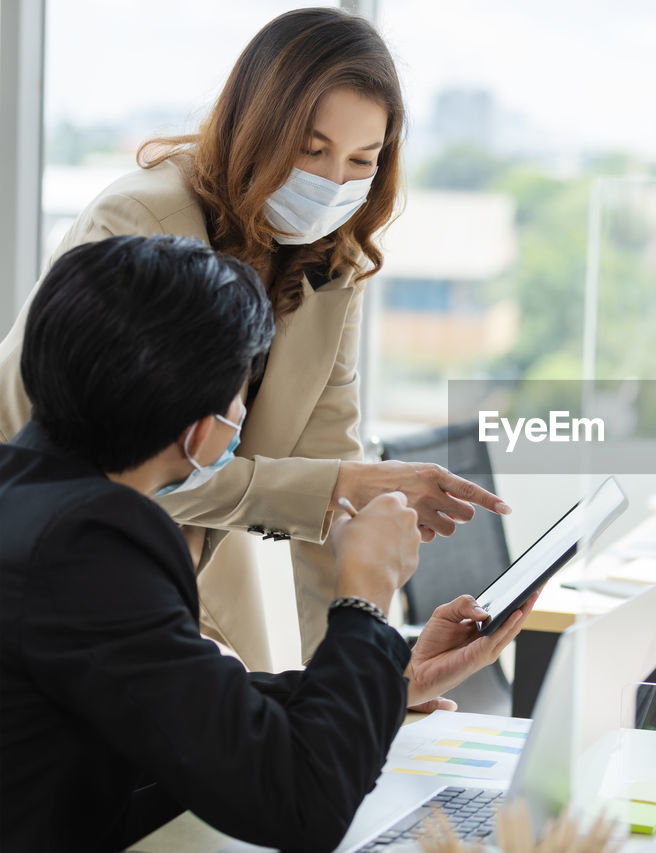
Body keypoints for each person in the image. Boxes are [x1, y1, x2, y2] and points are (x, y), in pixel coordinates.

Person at [0, 7, 505, 670]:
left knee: (257, 748)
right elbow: (140, 463)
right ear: (257, 125)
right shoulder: (144, 220)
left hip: (176, 561)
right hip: (47, 551)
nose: (331, 183)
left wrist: (366, 690)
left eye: (362, 160)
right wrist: (340, 485)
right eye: (312, 148)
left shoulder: (335, 263)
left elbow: (333, 504)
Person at [0, 235, 534, 852]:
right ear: (204, 429)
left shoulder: (30, 505)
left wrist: (391, 679)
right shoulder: (92, 545)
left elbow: (182, 706)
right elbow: (302, 805)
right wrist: (365, 594)